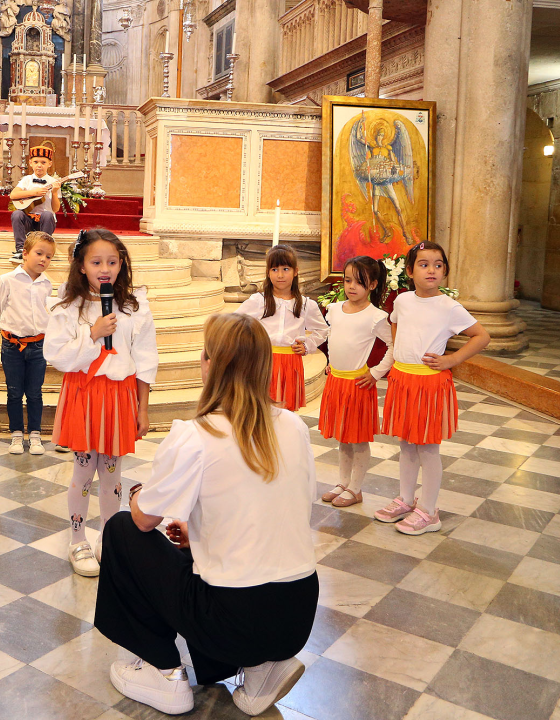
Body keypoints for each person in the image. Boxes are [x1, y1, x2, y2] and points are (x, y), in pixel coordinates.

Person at [94, 312, 318, 717]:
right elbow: (285, 510)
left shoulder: (197, 434)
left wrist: (143, 492)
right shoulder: (294, 427)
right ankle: (261, 669)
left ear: (211, 365)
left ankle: (164, 672)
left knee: (121, 530)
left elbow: (145, 519)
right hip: (298, 613)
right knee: (185, 550)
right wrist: (199, 533)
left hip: (233, 620)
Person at [45, 228, 158, 577]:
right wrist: (92, 333)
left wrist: (142, 407)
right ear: (81, 266)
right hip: (84, 393)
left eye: (112, 261)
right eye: (96, 262)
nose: (104, 268)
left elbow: (145, 358)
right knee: (83, 471)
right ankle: (77, 539)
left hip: (119, 395)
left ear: (121, 263)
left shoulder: (133, 305)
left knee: (112, 473)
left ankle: (109, 537)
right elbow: (57, 355)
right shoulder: (68, 305)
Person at [375, 241, 490, 535]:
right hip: (403, 379)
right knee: (405, 443)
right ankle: (406, 498)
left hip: (429, 382)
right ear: (410, 271)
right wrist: (399, 355)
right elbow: (395, 324)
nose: (432, 270)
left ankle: (429, 510)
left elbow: (481, 336)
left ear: (445, 272)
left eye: (438, 265)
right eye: (424, 264)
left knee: (427, 447)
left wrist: (452, 359)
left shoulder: (449, 307)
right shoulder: (402, 300)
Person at [319, 256, 394, 508]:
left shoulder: (376, 316)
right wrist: (330, 361)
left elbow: (394, 345)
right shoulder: (335, 309)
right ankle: (343, 482)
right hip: (337, 382)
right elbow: (333, 337)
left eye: (359, 282)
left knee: (358, 439)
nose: (351, 286)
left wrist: (376, 372)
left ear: (372, 285)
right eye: (347, 280)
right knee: (343, 436)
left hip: (357, 385)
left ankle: (356, 488)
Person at [236, 244, 328, 410]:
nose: (280, 275)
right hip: (263, 360)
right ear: (268, 272)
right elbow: (234, 322)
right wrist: (249, 344)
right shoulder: (259, 301)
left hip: (290, 363)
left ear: (296, 271)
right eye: (274, 269)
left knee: (285, 410)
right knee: (261, 408)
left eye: (286, 269)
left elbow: (323, 330)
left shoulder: (307, 305)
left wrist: (307, 345)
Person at [0, 230, 55, 455]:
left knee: (35, 392)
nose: (43, 260)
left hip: (39, 346)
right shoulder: (6, 280)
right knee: (14, 391)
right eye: (39, 253)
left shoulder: (47, 284)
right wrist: (13, 330)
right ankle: (16, 435)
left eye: (49, 257)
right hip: (12, 346)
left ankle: (35, 434)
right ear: (25, 254)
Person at [8, 145, 64, 264]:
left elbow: (55, 209)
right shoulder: (26, 180)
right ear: (30, 163)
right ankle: (20, 250)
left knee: (48, 214)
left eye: (43, 162)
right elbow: (13, 195)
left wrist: (54, 193)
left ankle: (42, 249)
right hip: (28, 221)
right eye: (36, 162)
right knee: (17, 214)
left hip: (45, 223)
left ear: (49, 164)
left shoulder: (54, 182)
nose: (39, 165)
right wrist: (34, 192)